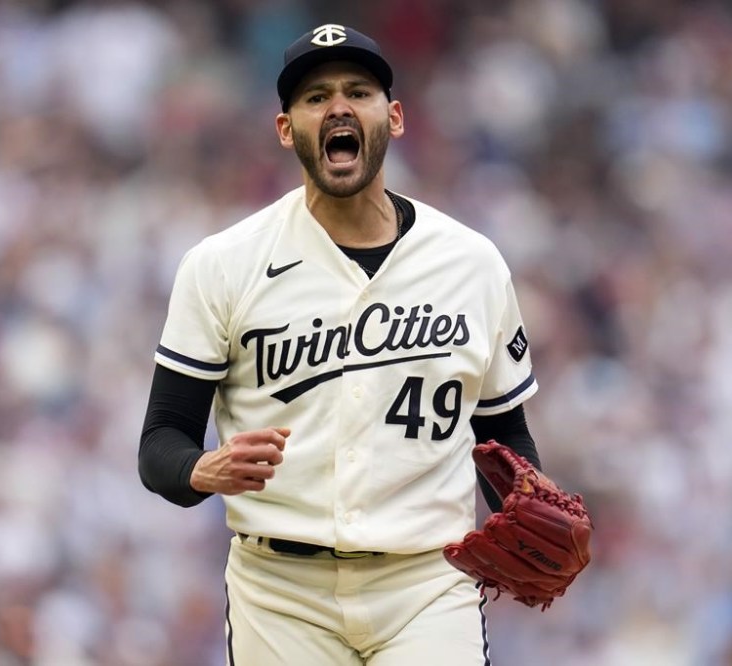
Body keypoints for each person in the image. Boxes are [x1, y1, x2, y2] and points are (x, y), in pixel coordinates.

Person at [139, 23, 543, 666]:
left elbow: (504, 434)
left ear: (396, 116)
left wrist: (526, 500)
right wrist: (198, 470)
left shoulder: (473, 264)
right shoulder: (222, 264)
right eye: (315, 96)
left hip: (426, 584)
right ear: (285, 128)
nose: (338, 108)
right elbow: (160, 439)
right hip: (279, 591)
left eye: (358, 90)